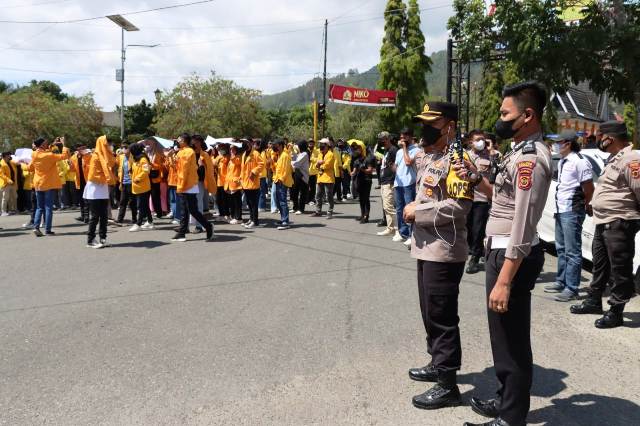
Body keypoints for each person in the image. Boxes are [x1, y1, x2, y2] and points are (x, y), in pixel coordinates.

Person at [462, 81, 552, 426]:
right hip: (500, 252)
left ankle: (511, 418)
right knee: (502, 337)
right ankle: (505, 400)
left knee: (512, 340)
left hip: (512, 257)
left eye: (505, 113)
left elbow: (524, 223)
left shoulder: (531, 159)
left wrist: (504, 280)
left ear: (527, 115)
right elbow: (501, 199)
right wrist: (474, 179)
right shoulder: (517, 152)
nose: (498, 120)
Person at [403, 102, 474, 411]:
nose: (425, 128)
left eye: (433, 123)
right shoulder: (430, 156)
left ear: (450, 126)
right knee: (429, 311)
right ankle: (437, 362)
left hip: (444, 250)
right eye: (424, 122)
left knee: (442, 316)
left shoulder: (460, 160)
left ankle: (447, 384)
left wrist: (419, 212)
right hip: (425, 247)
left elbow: (460, 206)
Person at [570, 121, 639, 328]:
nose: (598, 140)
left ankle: (616, 311)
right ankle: (593, 300)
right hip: (603, 220)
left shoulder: (631, 159)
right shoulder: (614, 159)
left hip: (619, 221)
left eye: (601, 136)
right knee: (600, 264)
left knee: (620, 268)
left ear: (612, 137)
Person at [544, 129, 594, 302]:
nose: (556, 145)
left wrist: (588, 204)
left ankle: (571, 288)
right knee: (561, 248)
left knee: (572, 251)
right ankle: (561, 281)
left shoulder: (579, 162)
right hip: (561, 209)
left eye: (559, 142)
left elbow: (588, 187)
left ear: (568, 143)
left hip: (572, 210)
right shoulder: (564, 161)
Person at [171, 133, 214, 242]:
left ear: (185, 140)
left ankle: (208, 226)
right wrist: (171, 158)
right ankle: (182, 232)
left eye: (180, 139)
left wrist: (182, 184)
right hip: (183, 184)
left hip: (188, 184)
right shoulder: (181, 152)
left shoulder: (188, 152)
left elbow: (185, 170)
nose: (178, 140)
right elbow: (177, 168)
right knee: (184, 210)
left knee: (193, 210)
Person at [29, 137, 70, 236]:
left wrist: (53, 145)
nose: (47, 144)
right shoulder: (49, 155)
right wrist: (63, 145)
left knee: (39, 207)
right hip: (48, 184)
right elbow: (65, 156)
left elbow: (30, 167)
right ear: (42, 145)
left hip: (38, 183)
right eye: (46, 143)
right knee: (48, 208)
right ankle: (48, 230)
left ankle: (36, 227)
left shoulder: (34, 154)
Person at [466, 130, 493, 274]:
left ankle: (474, 259)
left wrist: (492, 151)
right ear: (471, 142)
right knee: (468, 228)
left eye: (483, 139)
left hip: (482, 198)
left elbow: (497, 173)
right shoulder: (465, 155)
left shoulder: (491, 155)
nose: (481, 142)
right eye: (478, 139)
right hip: (466, 197)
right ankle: (475, 250)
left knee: (478, 230)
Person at [84, 136, 116, 248]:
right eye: (108, 143)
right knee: (95, 216)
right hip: (94, 189)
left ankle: (103, 238)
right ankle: (90, 239)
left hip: (103, 188)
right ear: (103, 143)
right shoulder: (96, 156)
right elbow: (94, 175)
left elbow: (112, 163)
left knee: (104, 216)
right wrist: (107, 178)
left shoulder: (106, 155)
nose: (110, 145)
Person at [394, 127, 420, 246]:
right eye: (401, 137)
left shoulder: (416, 150)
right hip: (398, 184)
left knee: (409, 210)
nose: (402, 139)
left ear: (410, 137)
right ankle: (402, 232)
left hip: (409, 183)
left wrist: (404, 147)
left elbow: (408, 162)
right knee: (399, 209)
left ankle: (411, 235)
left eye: (405, 137)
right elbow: (397, 166)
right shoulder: (398, 152)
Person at [376, 132, 399, 237]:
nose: (381, 141)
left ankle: (397, 229)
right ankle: (390, 228)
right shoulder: (384, 150)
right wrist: (379, 149)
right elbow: (376, 158)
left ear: (388, 139)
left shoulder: (393, 150)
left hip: (390, 181)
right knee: (386, 206)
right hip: (383, 180)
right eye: (380, 139)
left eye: (383, 139)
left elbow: (396, 166)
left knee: (389, 206)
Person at [127, 143, 154, 232]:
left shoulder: (143, 159)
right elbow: (133, 170)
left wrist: (137, 178)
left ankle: (138, 224)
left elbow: (146, 171)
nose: (130, 152)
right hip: (137, 186)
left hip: (143, 186)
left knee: (141, 205)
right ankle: (150, 221)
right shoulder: (135, 159)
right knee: (145, 205)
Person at [240, 138, 265, 228]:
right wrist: (240, 178)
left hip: (253, 183)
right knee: (249, 204)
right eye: (243, 143)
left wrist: (254, 172)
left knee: (253, 204)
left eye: (246, 143)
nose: (244, 144)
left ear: (250, 143)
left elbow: (261, 164)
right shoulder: (243, 154)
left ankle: (255, 221)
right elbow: (243, 169)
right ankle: (251, 219)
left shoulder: (255, 154)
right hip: (245, 183)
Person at [349, 140, 376, 223]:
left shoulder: (368, 159)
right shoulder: (356, 160)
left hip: (367, 181)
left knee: (366, 198)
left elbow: (370, 170)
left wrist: (363, 169)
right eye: (356, 148)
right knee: (361, 199)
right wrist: (350, 172)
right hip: (359, 181)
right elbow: (353, 171)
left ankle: (366, 216)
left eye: (358, 148)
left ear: (363, 149)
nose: (356, 150)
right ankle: (362, 214)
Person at [271, 139, 294, 230]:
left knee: (282, 201)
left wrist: (281, 179)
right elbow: (278, 168)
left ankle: (285, 221)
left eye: (276, 145)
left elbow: (286, 169)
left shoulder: (285, 155)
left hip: (282, 182)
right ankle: (283, 219)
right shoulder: (280, 155)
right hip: (277, 180)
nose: (274, 147)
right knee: (278, 201)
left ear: (280, 145)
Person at [312, 138, 335, 218]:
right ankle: (318, 211)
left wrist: (320, 164)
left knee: (329, 195)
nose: (320, 146)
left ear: (327, 145)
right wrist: (319, 163)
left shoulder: (331, 154)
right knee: (318, 195)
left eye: (322, 144)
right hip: (320, 178)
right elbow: (316, 165)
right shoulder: (320, 154)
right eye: (320, 144)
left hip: (328, 178)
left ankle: (330, 211)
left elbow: (327, 165)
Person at [115, 143, 138, 225]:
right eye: (122, 148)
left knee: (132, 202)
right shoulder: (121, 157)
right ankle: (120, 219)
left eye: (125, 148)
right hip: (123, 182)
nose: (123, 149)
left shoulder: (133, 157)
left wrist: (130, 155)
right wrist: (117, 154)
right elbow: (116, 165)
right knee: (122, 201)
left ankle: (135, 219)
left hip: (131, 182)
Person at [70, 144, 92, 224]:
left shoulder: (89, 156)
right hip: (79, 181)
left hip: (88, 181)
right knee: (81, 199)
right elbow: (72, 170)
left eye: (84, 148)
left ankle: (87, 216)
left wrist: (86, 162)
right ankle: (83, 215)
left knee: (87, 199)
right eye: (81, 148)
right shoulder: (73, 157)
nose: (82, 150)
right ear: (78, 149)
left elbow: (92, 167)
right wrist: (70, 164)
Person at [144, 138, 166, 218]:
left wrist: (152, 165)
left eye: (150, 144)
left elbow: (161, 165)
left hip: (155, 177)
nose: (148, 145)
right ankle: (148, 212)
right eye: (147, 144)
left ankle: (159, 212)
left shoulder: (158, 154)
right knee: (146, 195)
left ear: (154, 144)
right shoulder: (145, 154)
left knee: (155, 196)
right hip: (146, 177)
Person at [165, 141, 183, 225]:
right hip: (171, 180)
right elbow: (167, 166)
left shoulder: (179, 155)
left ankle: (178, 217)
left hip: (177, 181)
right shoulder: (173, 155)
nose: (174, 148)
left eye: (176, 146)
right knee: (172, 200)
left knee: (177, 200)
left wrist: (170, 157)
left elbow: (175, 167)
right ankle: (175, 215)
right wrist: (168, 157)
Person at [290, 139, 310, 215]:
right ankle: (295, 208)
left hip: (303, 176)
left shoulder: (305, 154)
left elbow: (297, 163)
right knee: (294, 191)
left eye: (298, 145)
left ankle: (301, 209)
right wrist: (292, 150)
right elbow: (295, 158)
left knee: (302, 193)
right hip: (297, 174)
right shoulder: (300, 153)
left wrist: (288, 161)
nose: (297, 147)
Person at [225, 143, 243, 224]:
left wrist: (232, 157)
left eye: (233, 149)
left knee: (237, 201)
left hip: (236, 182)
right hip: (230, 183)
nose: (231, 150)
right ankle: (234, 216)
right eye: (230, 149)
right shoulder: (231, 159)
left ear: (236, 149)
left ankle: (238, 218)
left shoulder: (238, 157)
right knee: (232, 201)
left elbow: (237, 163)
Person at [213, 143, 230, 220]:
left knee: (225, 199)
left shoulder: (228, 157)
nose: (220, 150)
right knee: (219, 199)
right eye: (219, 149)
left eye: (221, 148)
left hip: (226, 181)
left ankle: (227, 214)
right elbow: (213, 164)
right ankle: (221, 214)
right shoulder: (218, 157)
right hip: (219, 181)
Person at [0, 151, 18, 216]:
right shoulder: (1, 164)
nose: (10, 156)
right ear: (5, 156)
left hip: (12, 183)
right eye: (8, 155)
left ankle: (12, 210)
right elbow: (1, 174)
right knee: (5, 198)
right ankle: (3, 211)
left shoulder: (10, 162)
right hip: (6, 184)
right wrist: (8, 180)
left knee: (14, 197)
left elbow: (16, 164)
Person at [307, 138, 318, 206]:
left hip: (313, 172)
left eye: (312, 143)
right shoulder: (305, 150)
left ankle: (312, 199)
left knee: (313, 187)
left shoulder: (316, 151)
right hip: (306, 171)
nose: (311, 144)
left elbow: (318, 159)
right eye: (310, 143)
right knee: (306, 187)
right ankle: (307, 199)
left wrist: (311, 159)